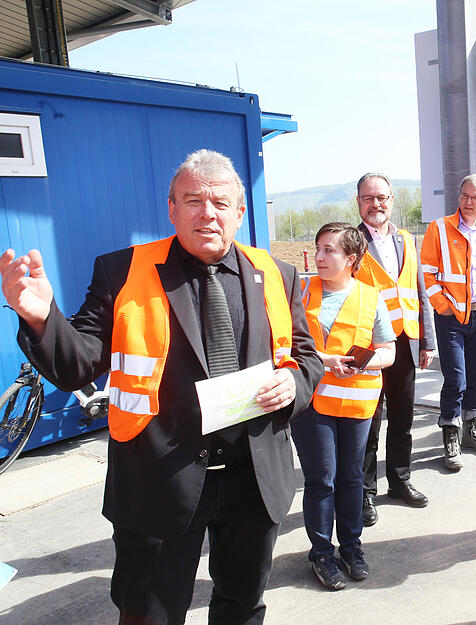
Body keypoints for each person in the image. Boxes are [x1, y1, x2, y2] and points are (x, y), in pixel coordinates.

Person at [0, 149, 322, 624]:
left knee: (242, 606)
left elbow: (306, 356)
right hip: (159, 480)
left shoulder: (277, 273)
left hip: (253, 478)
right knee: (149, 613)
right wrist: (42, 318)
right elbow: (79, 366)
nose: (206, 213)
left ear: (240, 212)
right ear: (171, 209)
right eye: (192, 200)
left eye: (219, 202)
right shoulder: (122, 270)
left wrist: (294, 383)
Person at [292, 223, 396, 591]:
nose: (319, 257)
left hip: (356, 404)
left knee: (351, 477)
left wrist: (363, 362)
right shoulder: (302, 292)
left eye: (329, 251)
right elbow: (288, 345)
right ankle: (321, 553)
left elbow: (389, 351)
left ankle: (351, 548)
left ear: (352, 259)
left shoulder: (372, 296)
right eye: (318, 248)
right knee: (321, 480)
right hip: (313, 403)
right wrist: (326, 359)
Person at [354, 173, 436, 526]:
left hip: (404, 340)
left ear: (392, 199)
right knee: (368, 422)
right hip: (366, 344)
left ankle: (400, 481)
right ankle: (364, 492)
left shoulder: (406, 238)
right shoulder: (351, 240)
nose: (377, 204)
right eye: (369, 198)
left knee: (402, 417)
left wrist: (426, 341)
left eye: (382, 197)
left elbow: (419, 292)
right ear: (358, 202)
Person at [420, 173, 476, 471]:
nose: (469, 202)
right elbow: (427, 273)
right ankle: (451, 435)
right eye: (464, 196)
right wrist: (443, 306)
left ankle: (472, 429)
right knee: (455, 379)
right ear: (459, 197)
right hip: (451, 317)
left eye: (475, 197)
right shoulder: (439, 228)